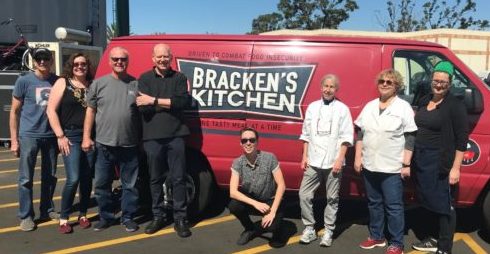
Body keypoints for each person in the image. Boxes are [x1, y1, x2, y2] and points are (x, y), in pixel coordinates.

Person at [354, 69, 417, 254]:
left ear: (396, 85)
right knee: (374, 203)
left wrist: (406, 164)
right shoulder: (370, 106)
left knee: (394, 206)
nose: (384, 84)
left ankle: (397, 243)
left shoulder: (403, 107)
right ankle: (377, 237)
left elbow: (410, 136)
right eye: (382, 81)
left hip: (392, 166)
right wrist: (358, 157)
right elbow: (360, 133)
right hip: (370, 164)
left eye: (389, 82)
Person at [411, 61, 468, 254]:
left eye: (443, 81)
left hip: (439, 161)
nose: (439, 84)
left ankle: (444, 248)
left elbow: (462, 140)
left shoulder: (455, 105)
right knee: (428, 201)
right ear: (431, 81)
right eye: (436, 80)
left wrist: (455, 168)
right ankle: (433, 239)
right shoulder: (424, 99)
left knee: (444, 205)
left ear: (450, 83)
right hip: (420, 159)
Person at [135, 43, 192, 238]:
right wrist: (168, 103)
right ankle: (158, 216)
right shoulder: (144, 79)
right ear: (153, 58)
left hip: (176, 136)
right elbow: (143, 109)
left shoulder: (179, 78)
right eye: (159, 57)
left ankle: (180, 218)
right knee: (155, 179)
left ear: (171, 57)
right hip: (152, 138)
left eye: (166, 57)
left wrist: (154, 100)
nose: (162, 60)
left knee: (179, 178)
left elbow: (182, 103)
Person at [82, 47, 140, 232]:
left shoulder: (136, 84)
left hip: (130, 144)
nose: (119, 62)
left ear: (127, 61)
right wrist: (86, 137)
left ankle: (128, 217)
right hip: (103, 144)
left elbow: (142, 114)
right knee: (101, 184)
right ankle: (106, 217)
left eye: (123, 59)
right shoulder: (98, 84)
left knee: (130, 185)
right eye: (115, 59)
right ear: (109, 61)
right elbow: (90, 111)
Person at [298, 74, 354, 247]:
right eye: (326, 86)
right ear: (321, 87)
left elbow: (346, 137)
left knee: (332, 198)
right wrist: (304, 156)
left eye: (332, 87)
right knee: (304, 194)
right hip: (313, 160)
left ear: (336, 90)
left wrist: (340, 159)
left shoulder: (343, 109)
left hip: (333, 161)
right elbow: (306, 134)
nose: (328, 89)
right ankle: (309, 228)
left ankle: (329, 230)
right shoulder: (313, 108)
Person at [9, 48, 60, 231]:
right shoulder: (24, 81)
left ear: (51, 60)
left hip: (50, 136)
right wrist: (14, 140)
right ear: (34, 61)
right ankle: (26, 215)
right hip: (29, 135)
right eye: (38, 58)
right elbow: (14, 112)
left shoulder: (57, 81)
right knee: (25, 179)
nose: (42, 61)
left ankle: (47, 209)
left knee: (51, 176)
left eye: (45, 58)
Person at [46, 53, 95, 234]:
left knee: (86, 177)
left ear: (88, 66)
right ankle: (64, 217)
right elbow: (50, 110)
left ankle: (82, 214)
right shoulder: (63, 83)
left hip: (90, 136)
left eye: (83, 63)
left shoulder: (92, 85)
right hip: (70, 136)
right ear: (71, 65)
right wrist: (60, 135)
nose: (80, 66)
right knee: (73, 178)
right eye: (76, 64)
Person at [228, 127, 286, 247]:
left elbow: (281, 185)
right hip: (254, 200)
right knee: (234, 206)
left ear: (257, 142)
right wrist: (255, 203)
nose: (248, 143)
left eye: (252, 140)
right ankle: (250, 229)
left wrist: (272, 212)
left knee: (272, 228)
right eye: (244, 140)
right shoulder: (237, 163)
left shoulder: (270, 158)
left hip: (270, 199)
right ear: (241, 143)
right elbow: (233, 192)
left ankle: (277, 229)